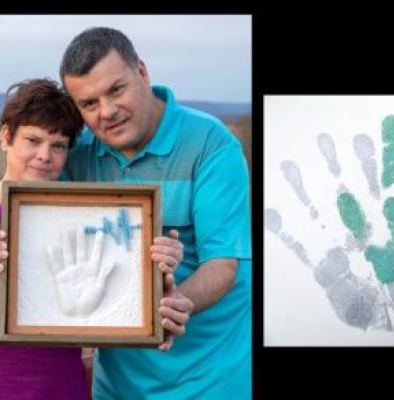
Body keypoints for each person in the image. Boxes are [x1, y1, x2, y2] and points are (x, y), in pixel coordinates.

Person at [0, 78, 186, 399]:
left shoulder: (84, 218)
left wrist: (153, 294)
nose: (44, 155)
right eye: (32, 140)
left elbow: (116, 307)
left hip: (61, 389)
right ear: (6, 137)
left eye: (58, 145)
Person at [60, 27, 252, 399]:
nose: (107, 112)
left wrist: (175, 304)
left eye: (116, 90)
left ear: (142, 73)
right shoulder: (78, 153)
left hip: (210, 380)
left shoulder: (211, 144)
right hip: (115, 385)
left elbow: (223, 264)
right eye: (89, 104)